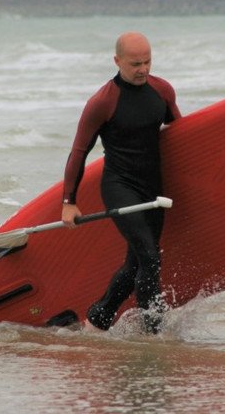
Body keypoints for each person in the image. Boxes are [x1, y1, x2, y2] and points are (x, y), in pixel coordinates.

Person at [61, 32, 181, 333]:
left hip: (154, 190)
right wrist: (69, 202)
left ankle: (97, 322)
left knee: (136, 265)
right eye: (135, 63)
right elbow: (79, 152)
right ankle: (154, 334)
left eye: (147, 62)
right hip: (120, 187)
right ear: (117, 61)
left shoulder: (162, 91)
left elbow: (181, 135)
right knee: (150, 257)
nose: (143, 69)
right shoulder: (103, 102)